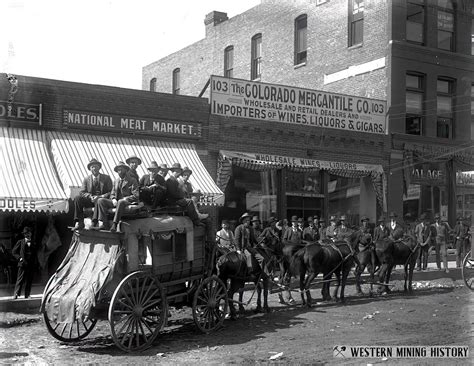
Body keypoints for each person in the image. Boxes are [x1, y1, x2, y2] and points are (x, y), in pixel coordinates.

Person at [93, 161, 139, 232]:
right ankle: (104, 224)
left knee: (121, 201)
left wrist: (126, 198)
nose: (119, 171)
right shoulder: (116, 181)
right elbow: (112, 193)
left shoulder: (132, 180)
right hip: (117, 201)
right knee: (100, 200)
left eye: (121, 169)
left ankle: (115, 224)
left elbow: (136, 195)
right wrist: (113, 199)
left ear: (126, 170)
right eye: (118, 170)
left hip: (127, 201)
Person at [72, 158, 113, 230]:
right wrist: (90, 196)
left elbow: (111, 192)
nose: (94, 168)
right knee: (77, 198)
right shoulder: (86, 179)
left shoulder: (106, 178)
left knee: (99, 200)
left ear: (99, 168)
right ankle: (79, 222)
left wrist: (100, 196)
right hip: (90, 201)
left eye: (96, 166)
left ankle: (94, 222)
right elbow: (82, 192)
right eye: (92, 167)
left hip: (101, 201)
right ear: (90, 169)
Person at [12, 227, 37, 299]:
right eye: (26, 233)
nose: (27, 235)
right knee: (20, 279)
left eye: (28, 233)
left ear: (31, 233)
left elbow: (35, 253)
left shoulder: (34, 242)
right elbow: (14, 252)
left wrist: (34, 262)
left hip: (30, 264)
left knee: (29, 280)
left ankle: (27, 294)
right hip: (22, 263)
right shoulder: (20, 242)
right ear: (24, 235)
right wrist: (19, 258)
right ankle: (16, 294)